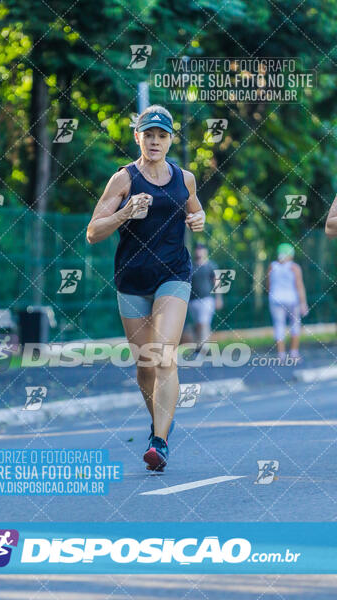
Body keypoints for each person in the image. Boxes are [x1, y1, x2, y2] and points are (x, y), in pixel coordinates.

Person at [86, 105, 205, 471]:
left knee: (164, 353)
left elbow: (195, 211)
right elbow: (93, 232)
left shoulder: (184, 178)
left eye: (162, 135)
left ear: (170, 140)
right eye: (148, 134)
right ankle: (159, 426)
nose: (155, 141)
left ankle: (160, 441)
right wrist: (124, 213)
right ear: (138, 137)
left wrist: (199, 219)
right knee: (144, 365)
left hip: (173, 275)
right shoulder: (122, 179)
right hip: (132, 279)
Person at [267, 243, 308, 362]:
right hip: (292, 300)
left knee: (278, 325)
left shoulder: (272, 266)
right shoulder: (294, 267)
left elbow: (268, 285)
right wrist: (303, 303)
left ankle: (281, 355)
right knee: (295, 324)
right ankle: (294, 353)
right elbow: (299, 286)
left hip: (275, 299)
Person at [188, 244, 223, 349]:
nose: (199, 252)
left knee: (204, 322)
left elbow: (217, 282)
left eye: (201, 250)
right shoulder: (191, 266)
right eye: (197, 250)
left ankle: (205, 347)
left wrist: (219, 298)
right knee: (197, 324)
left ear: (205, 252)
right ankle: (199, 346)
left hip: (207, 299)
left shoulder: (211, 266)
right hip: (193, 301)